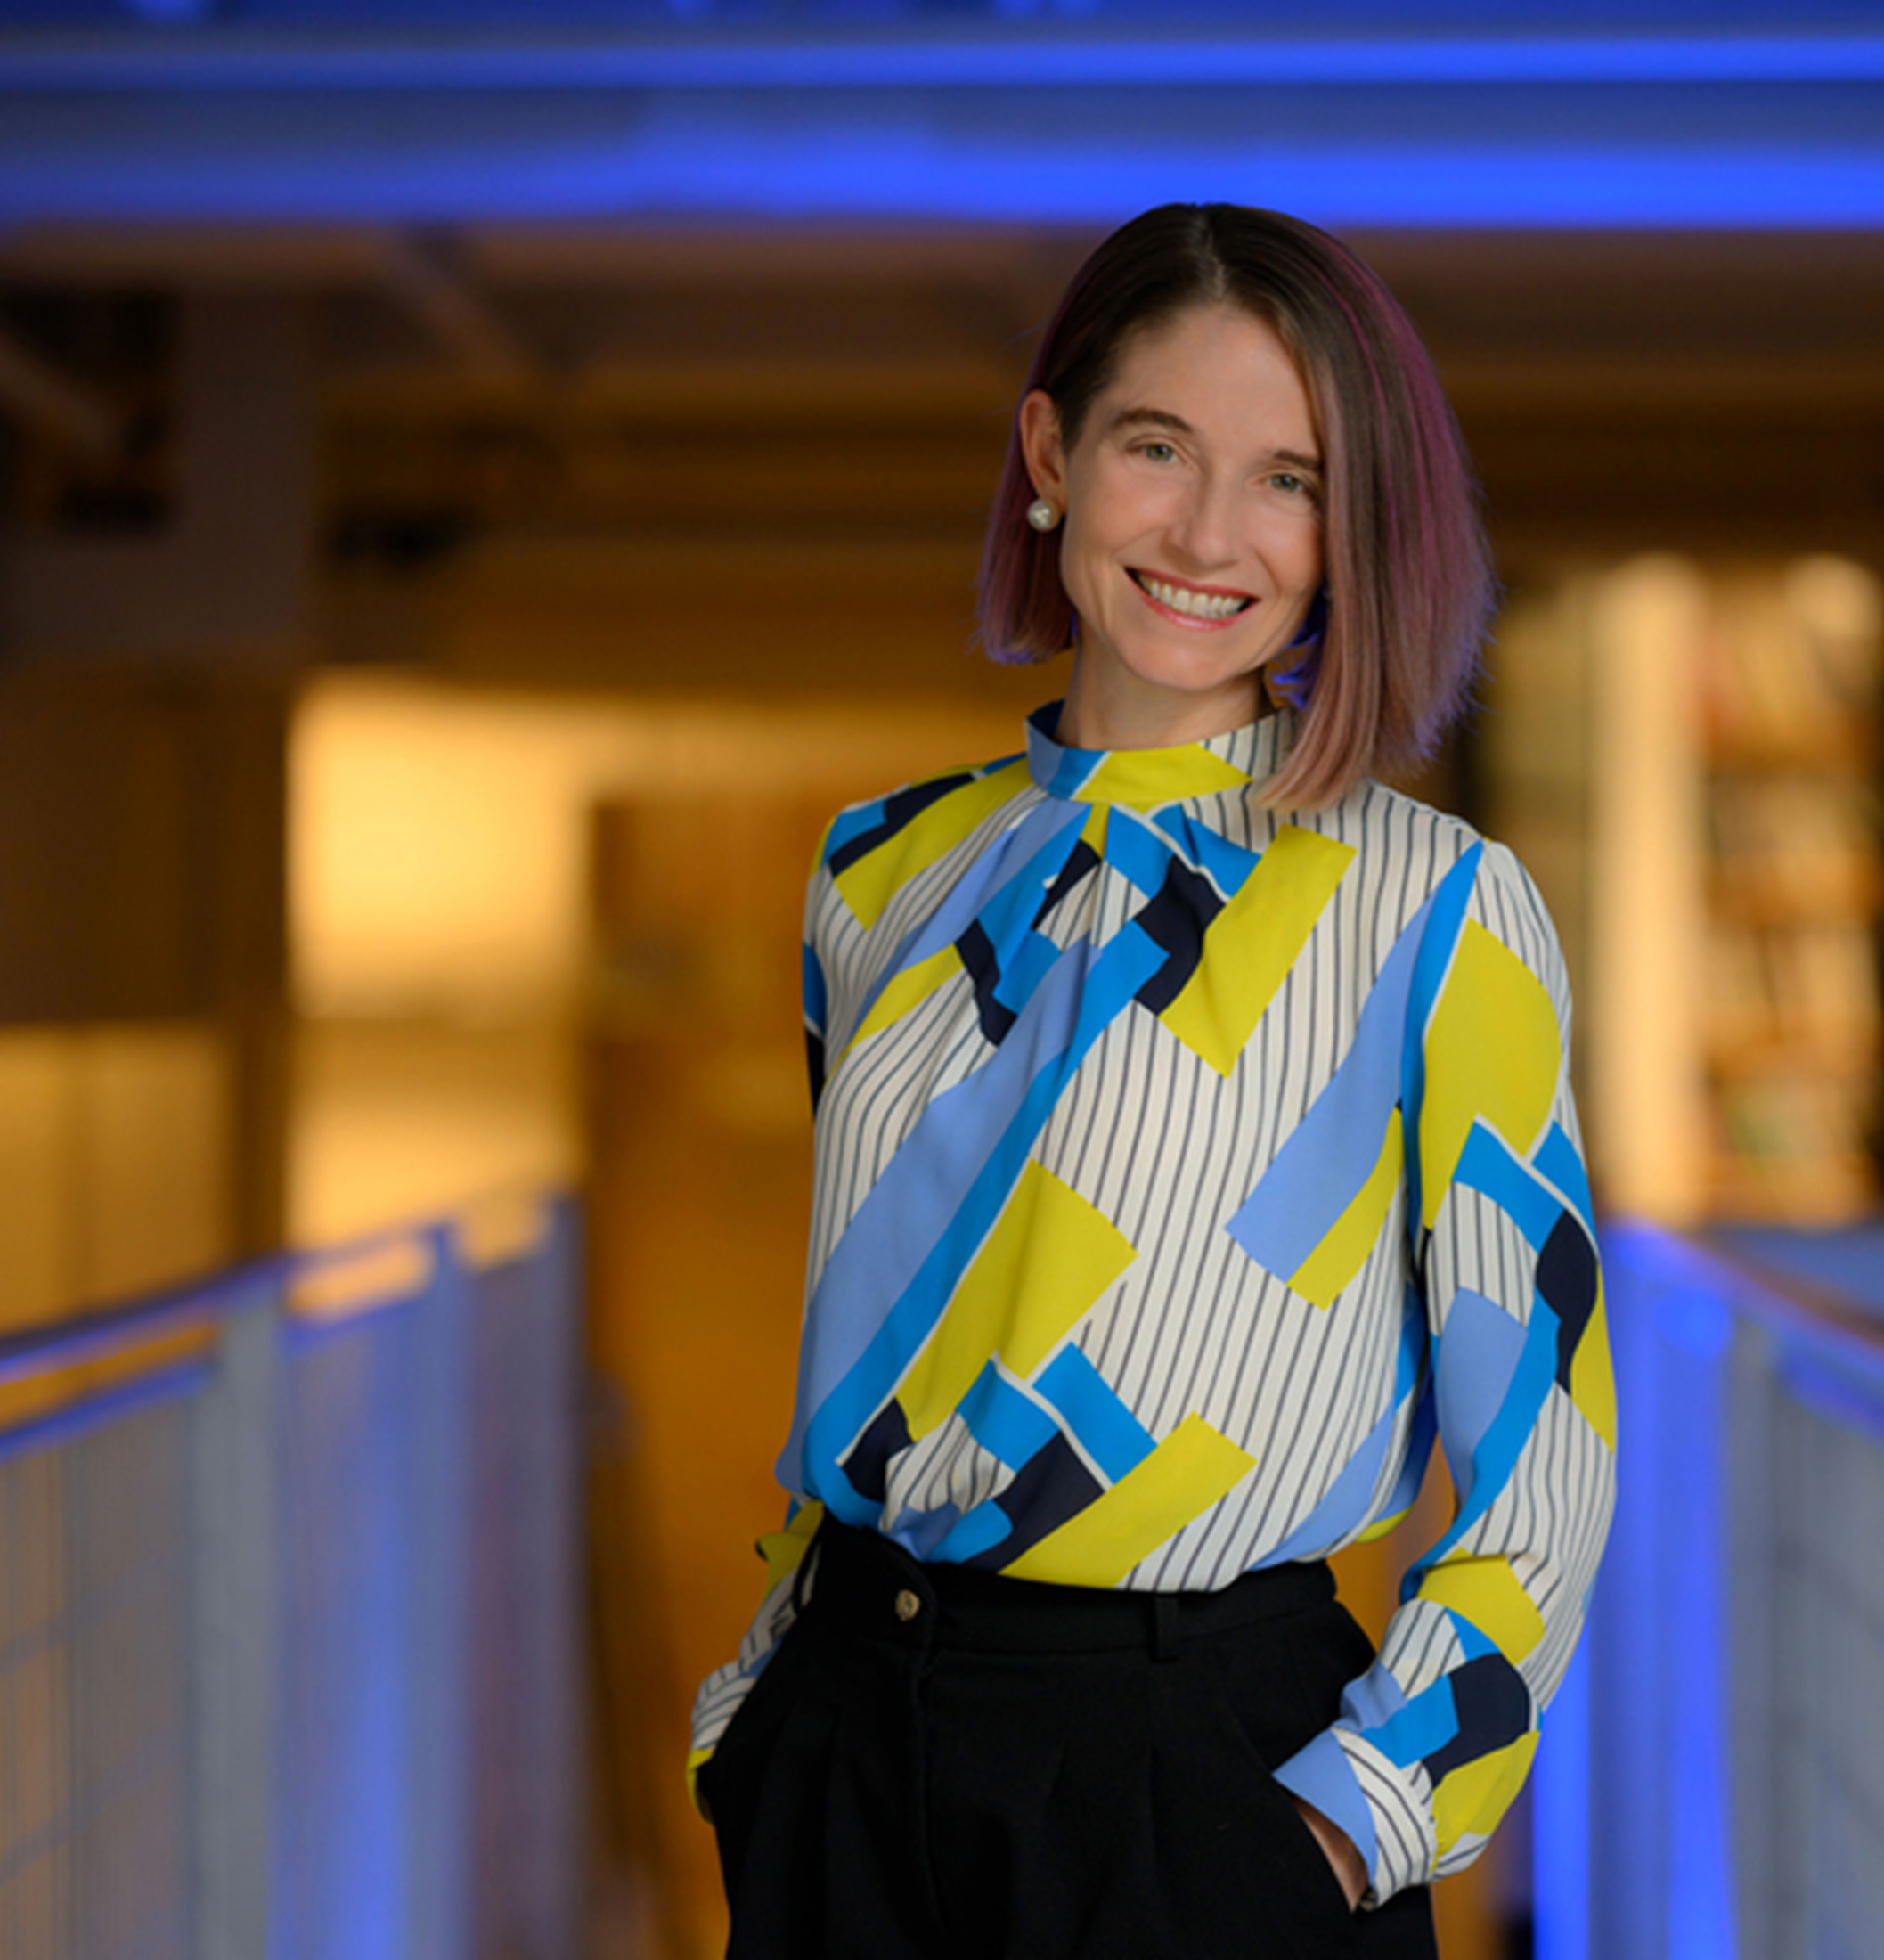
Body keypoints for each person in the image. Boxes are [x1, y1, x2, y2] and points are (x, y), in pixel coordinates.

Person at [687, 202, 1616, 1960]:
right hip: (849, 1739)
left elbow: (1541, 1457)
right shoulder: (878, 873)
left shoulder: (1434, 908)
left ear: (1353, 531)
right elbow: (896, 1307)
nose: (1210, 531)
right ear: (1050, 452)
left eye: (1288, 477)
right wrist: (757, 1724)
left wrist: (1346, 1835)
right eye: (1157, 447)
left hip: (1203, 1776)